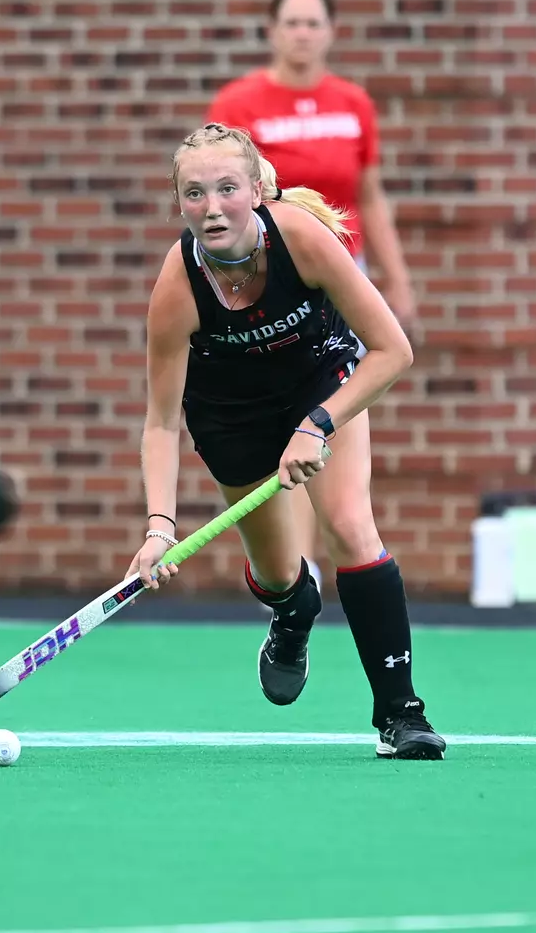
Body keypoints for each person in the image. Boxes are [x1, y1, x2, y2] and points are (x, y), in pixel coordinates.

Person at [125, 122, 445, 760]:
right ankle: (294, 612)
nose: (212, 208)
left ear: (256, 191)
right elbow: (161, 422)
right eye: (194, 194)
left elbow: (393, 351)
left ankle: (402, 714)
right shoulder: (178, 288)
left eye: (227, 188)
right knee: (277, 575)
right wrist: (160, 526)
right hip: (231, 418)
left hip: (319, 386)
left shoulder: (301, 239)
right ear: (178, 203)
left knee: (351, 526)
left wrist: (317, 423)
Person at [207, 0, 416, 591]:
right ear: (272, 31)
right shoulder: (240, 102)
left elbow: (369, 196)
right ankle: (298, 575)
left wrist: (397, 281)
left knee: (327, 417)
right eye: (292, 22)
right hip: (272, 287)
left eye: (313, 22)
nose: (302, 33)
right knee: (282, 422)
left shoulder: (353, 103)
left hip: (341, 285)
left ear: (331, 32)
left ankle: (337, 548)